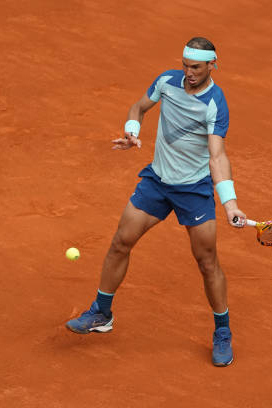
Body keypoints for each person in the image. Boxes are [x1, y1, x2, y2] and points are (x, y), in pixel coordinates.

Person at [66, 37, 246, 367]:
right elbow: (139, 107)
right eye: (185, 65)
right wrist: (132, 129)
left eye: (195, 67)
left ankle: (222, 332)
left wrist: (230, 203)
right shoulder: (166, 81)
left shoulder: (214, 103)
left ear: (211, 66)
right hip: (158, 182)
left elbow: (217, 156)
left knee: (207, 263)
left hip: (194, 190)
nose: (188, 72)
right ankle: (101, 313)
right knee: (121, 242)